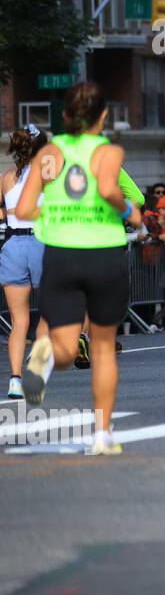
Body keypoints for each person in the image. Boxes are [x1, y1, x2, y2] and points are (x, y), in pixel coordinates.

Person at [17, 83, 142, 455]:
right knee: (103, 347)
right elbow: (107, 189)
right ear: (104, 117)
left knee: (68, 349)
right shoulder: (108, 151)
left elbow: (23, 209)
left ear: (66, 117)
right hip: (103, 253)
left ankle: (43, 356)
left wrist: (56, 215)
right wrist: (128, 212)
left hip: (61, 254)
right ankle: (102, 435)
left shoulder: (49, 154)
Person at [0, 125, 50, 399]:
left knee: (19, 320)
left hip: (12, 246)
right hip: (41, 242)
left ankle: (15, 379)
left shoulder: (6, 177)